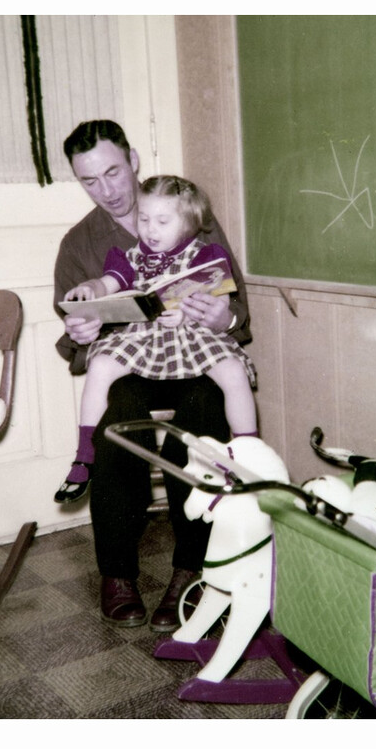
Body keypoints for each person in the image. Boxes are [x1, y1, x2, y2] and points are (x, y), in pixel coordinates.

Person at [53, 120, 253, 632]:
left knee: (206, 405)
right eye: (89, 180)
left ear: (134, 160)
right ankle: (117, 573)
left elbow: (238, 310)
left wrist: (222, 317)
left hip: (194, 355)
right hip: (134, 363)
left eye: (113, 172)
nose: (107, 191)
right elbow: (73, 342)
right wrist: (82, 330)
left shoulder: (190, 215)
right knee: (118, 415)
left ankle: (191, 567)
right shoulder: (79, 243)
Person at [55, 174, 257, 503]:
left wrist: (192, 312)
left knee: (234, 372)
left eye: (163, 221)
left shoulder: (206, 255)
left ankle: (248, 452)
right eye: (144, 219)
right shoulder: (129, 257)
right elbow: (108, 282)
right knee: (101, 365)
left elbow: (219, 299)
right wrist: (91, 288)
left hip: (192, 337)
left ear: (189, 223)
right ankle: (84, 455)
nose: (150, 230)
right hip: (143, 339)